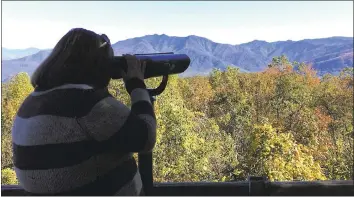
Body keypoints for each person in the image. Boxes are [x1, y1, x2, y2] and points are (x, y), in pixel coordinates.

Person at [11, 28, 156, 196]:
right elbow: (146, 137)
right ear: (98, 64)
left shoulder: (31, 102)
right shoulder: (86, 103)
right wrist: (137, 85)